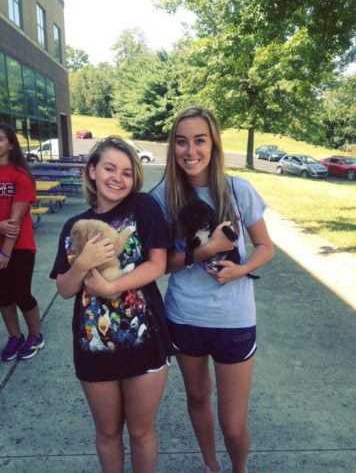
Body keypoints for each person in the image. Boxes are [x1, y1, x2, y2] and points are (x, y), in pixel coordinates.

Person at [150, 106, 275, 473]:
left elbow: (266, 247)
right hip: (184, 316)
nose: (191, 151)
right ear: (173, 147)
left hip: (233, 320)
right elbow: (161, 265)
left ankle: (239, 469)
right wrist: (204, 251)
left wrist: (241, 269)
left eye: (199, 141)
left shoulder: (239, 189)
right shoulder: (163, 197)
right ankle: (211, 466)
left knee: (234, 426)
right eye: (182, 142)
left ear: (214, 143)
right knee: (197, 397)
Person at [50, 136, 173, 473]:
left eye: (127, 172)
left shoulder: (144, 208)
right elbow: (63, 288)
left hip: (144, 342)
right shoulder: (73, 227)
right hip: (94, 345)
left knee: (141, 430)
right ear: (92, 171)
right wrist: (82, 263)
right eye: (109, 168)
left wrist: (109, 286)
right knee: (106, 432)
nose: (118, 178)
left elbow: (156, 265)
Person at [0, 123, 45, 362]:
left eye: (0, 139)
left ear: (10, 144)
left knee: (20, 293)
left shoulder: (21, 176)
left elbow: (14, 224)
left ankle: (35, 336)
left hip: (20, 247)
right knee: (2, 296)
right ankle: (14, 337)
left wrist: (5, 254)